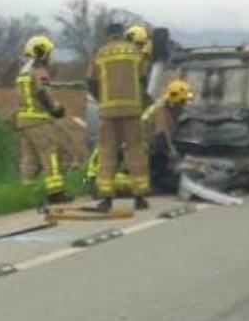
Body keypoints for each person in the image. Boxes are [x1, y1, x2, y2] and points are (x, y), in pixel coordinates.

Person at [87, 23, 150, 211]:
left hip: (108, 112)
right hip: (132, 110)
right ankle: (140, 197)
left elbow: (91, 81)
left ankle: (106, 197)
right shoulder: (135, 53)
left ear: (108, 36)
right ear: (122, 35)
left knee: (107, 153)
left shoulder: (100, 54)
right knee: (135, 152)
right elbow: (143, 79)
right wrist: (140, 99)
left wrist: (102, 100)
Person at [15, 35, 77, 205]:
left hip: (23, 121)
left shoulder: (23, 71)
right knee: (51, 153)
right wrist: (56, 109)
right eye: (49, 52)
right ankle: (56, 192)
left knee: (30, 158)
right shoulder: (39, 70)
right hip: (38, 120)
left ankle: (25, 195)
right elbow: (43, 93)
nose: (50, 56)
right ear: (41, 52)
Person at [142, 79, 192, 192]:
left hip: (150, 149)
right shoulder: (162, 111)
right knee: (164, 179)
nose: (183, 106)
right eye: (182, 102)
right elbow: (162, 138)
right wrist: (174, 156)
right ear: (175, 101)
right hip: (147, 153)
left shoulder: (165, 109)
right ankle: (154, 185)